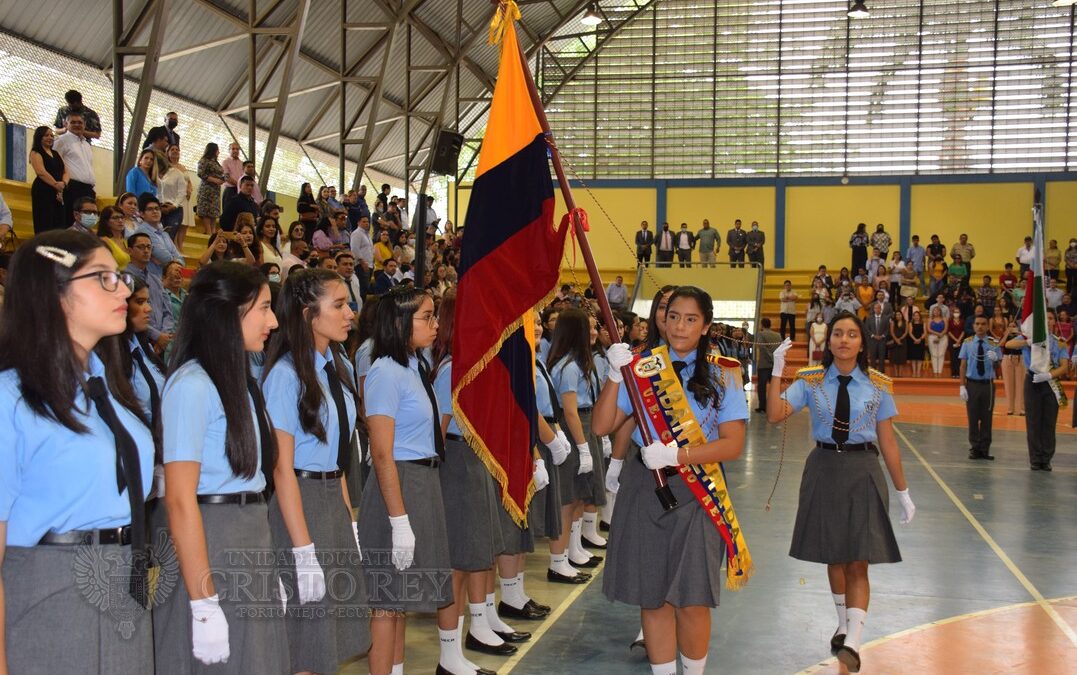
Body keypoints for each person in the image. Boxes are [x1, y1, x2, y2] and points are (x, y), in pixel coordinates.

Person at [0, 230, 154, 674]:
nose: (124, 288)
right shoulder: (11, 399)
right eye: (103, 278)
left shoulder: (106, 389)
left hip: (124, 582)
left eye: (120, 277)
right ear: (54, 294)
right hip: (50, 588)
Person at [594, 286, 749, 675]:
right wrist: (615, 376)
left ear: (706, 325)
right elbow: (601, 425)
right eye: (674, 315)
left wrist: (678, 456)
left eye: (691, 318)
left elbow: (733, 445)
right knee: (653, 595)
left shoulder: (724, 373)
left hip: (699, 491)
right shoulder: (641, 369)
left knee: (692, 598)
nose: (680, 326)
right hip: (647, 490)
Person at [153, 262, 287, 673]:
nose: (274, 320)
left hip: (248, 532)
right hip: (211, 539)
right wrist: (203, 601)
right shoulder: (191, 385)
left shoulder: (240, 381)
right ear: (229, 312)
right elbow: (178, 498)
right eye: (263, 308)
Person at [768, 314, 914, 673]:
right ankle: (843, 623)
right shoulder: (810, 380)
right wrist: (776, 371)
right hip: (823, 469)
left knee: (858, 559)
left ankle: (854, 642)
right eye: (837, 334)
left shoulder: (879, 385)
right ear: (827, 340)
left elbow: (888, 441)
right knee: (834, 556)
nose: (844, 340)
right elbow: (774, 414)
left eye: (851, 334)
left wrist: (903, 491)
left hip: (863, 471)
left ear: (862, 342)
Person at [259, 268, 371, 673]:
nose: (350, 313)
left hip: (330, 504)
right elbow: (282, 470)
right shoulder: (286, 376)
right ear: (308, 313)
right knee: (306, 634)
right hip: (299, 506)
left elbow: (337, 457)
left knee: (329, 633)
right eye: (338, 305)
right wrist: (303, 549)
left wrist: (350, 521)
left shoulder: (334, 368)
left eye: (348, 303)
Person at [358, 287, 455, 675]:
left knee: (399, 600)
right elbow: (382, 451)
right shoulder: (384, 371)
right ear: (400, 322)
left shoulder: (414, 366)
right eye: (426, 317)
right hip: (397, 486)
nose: (435, 325)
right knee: (386, 601)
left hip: (422, 483)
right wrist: (398, 520)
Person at [1005, 310, 1071, 471]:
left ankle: (1046, 458)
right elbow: (1008, 344)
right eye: (1045, 318)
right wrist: (1027, 343)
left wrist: (1049, 375)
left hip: (1050, 381)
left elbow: (1064, 366)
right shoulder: (1030, 338)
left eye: (1050, 318)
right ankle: (1035, 459)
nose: (1048, 321)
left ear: (1054, 322)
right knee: (1033, 421)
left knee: (1048, 422)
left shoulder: (1059, 342)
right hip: (1032, 381)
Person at [958, 315, 1002, 461]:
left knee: (987, 418)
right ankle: (975, 448)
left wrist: (996, 359)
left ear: (988, 326)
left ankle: (985, 448)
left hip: (987, 385)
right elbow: (963, 365)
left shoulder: (993, 343)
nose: (980, 327)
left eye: (983, 324)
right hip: (972, 384)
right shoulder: (968, 342)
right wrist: (962, 386)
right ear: (974, 326)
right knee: (973, 417)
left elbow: (998, 366)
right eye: (977, 324)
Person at [126, 232, 176, 355]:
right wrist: (156, 336)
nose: (146, 251)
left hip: (162, 341)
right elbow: (128, 315)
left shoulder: (156, 279)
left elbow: (167, 311)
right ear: (130, 251)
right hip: (135, 338)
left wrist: (164, 336)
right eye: (141, 247)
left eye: (149, 247)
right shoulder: (125, 279)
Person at [53, 112, 96, 230]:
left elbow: (88, 167)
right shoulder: (61, 140)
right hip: (71, 188)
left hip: (87, 189)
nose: (77, 125)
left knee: (87, 225)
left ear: (85, 124)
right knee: (70, 223)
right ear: (65, 124)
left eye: (80, 122)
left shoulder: (86, 144)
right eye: (73, 122)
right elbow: (54, 164)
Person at [29, 125, 67, 233]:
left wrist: (63, 184)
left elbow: (66, 171)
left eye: (51, 135)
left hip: (58, 191)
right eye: (46, 135)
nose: (50, 137)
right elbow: (41, 172)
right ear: (39, 137)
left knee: (59, 223)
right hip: (43, 191)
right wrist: (56, 185)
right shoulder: (36, 152)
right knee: (45, 222)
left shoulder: (56, 153)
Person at [134, 193, 184, 276]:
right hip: (150, 278)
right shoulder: (143, 232)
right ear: (142, 214)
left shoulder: (164, 234)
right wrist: (174, 260)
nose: (155, 211)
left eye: (157, 209)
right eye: (150, 209)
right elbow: (165, 258)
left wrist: (175, 261)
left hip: (165, 277)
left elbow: (180, 258)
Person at [158, 144, 193, 247]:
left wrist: (189, 189)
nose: (175, 151)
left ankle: (180, 246)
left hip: (185, 197)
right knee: (175, 225)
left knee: (184, 224)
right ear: (167, 153)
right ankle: (173, 245)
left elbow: (188, 181)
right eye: (172, 149)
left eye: (177, 149)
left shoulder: (182, 167)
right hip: (173, 198)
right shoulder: (166, 167)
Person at [195, 143, 226, 234]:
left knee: (213, 213)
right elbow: (201, 173)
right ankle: (208, 232)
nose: (219, 152)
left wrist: (222, 179)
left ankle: (212, 232)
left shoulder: (216, 162)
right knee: (206, 212)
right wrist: (215, 180)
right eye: (217, 150)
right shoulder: (204, 160)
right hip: (207, 190)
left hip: (215, 191)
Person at [755, 317, 781, 413]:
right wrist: (775, 359)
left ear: (762, 325)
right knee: (775, 387)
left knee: (762, 387)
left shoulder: (761, 334)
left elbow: (762, 348)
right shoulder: (778, 335)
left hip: (764, 365)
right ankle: (775, 406)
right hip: (775, 365)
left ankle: (763, 407)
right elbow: (780, 349)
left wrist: (770, 357)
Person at [864, 303, 889, 373]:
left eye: (879, 308)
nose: (877, 309)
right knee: (872, 358)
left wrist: (882, 336)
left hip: (882, 341)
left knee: (882, 358)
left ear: (881, 309)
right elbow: (867, 329)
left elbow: (887, 329)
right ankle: (873, 373)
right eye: (876, 308)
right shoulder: (869, 318)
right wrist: (873, 335)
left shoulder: (885, 318)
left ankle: (881, 373)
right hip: (872, 341)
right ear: (874, 309)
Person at [220, 142, 245, 206]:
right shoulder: (225, 162)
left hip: (241, 191)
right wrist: (239, 185)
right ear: (229, 150)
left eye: (237, 149)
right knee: (228, 214)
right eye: (233, 149)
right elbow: (226, 177)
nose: (235, 151)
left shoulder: (242, 164)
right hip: (230, 191)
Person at [926, 305, 948, 376]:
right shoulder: (930, 319)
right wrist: (937, 334)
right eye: (935, 310)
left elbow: (946, 329)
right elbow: (928, 329)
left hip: (943, 337)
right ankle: (935, 372)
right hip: (932, 337)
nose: (936, 312)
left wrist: (941, 334)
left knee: (941, 354)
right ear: (933, 312)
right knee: (934, 354)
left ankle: (940, 372)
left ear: (940, 312)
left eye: (938, 310)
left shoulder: (944, 319)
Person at [947, 308, 966, 378]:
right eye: (955, 312)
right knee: (953, 357)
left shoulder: (962, 321)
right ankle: (953, 373)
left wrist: (959, 340)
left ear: (960, 313)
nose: (956, 313)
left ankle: (959, 373)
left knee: (959, 357)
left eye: (957, 312)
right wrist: (955, 339)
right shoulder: (950, 321)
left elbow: (963, 331)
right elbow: (949, 331)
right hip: (952, 340)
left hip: (960, 340)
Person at [889, 310, 908, 377]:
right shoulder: (893, 322)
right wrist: (896, 340)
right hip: (895, 341)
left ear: (902, 315)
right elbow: (891, 332)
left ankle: (900, 374)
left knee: (901, 358)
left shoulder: (905, 322)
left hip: (903, 341)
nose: (898, 316)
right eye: (897, 315)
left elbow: (906, 332)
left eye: (899, 314)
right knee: (895, 358)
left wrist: (900, 339)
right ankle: (896, 374)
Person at [907, 308, 925, 378]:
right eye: (915, 315)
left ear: (919, 316)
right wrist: (915, 339)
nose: (916, 317)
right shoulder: (911, 323)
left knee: (919, 358)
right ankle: (914, 372)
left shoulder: (923, 323)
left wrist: (919, 339)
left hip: (921, 341)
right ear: (913, 317)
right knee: (913, 358)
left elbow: (925, 332)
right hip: (912, 341)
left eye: (918, 315)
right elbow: (910, 333)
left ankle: (918, 372)